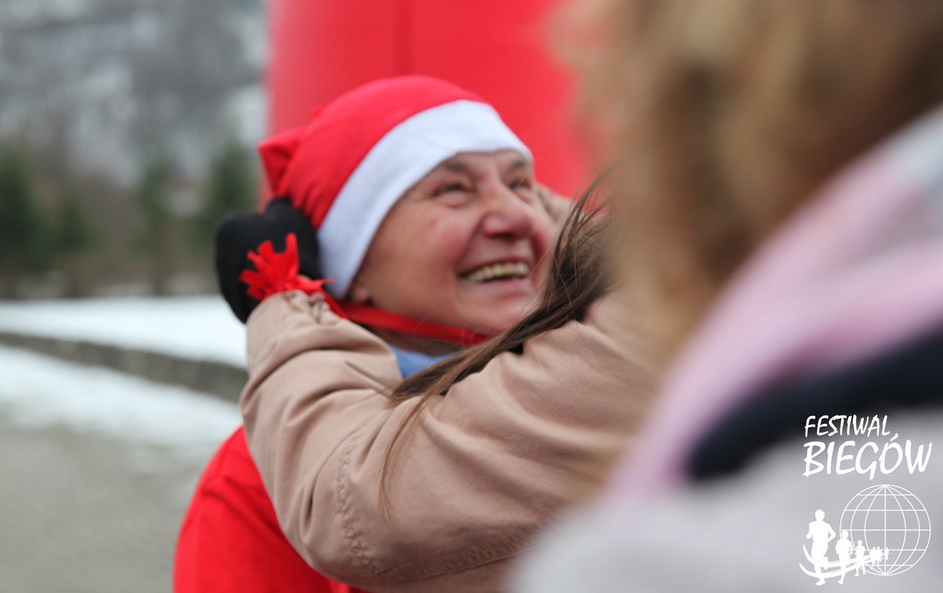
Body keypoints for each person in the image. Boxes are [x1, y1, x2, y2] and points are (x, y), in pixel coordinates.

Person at [512, 0, 943, 591]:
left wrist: (320, 328)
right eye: (450, 189)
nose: (506, 217)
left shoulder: (688, 564)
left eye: (517, 183)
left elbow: (374, 496)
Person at [213, 90, 654, 588]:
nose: (517, 218)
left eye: (521, 184)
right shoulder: (257, 476)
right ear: (352, 267)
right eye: (453, 190)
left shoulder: (608, 354)